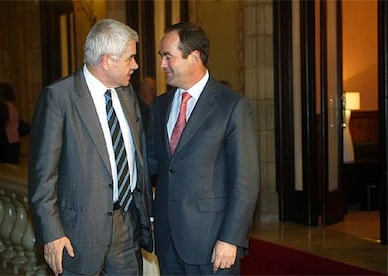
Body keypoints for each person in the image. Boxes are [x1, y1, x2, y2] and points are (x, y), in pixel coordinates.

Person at [28, 18, 153, 276]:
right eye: (130, 58)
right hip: (77, 237)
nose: (136, 65)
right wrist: (52, 234)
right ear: (107, 61)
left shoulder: (127, 95)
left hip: (126, 229)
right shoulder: (59, 98)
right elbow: (42, 178)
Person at [147, 22, 260, 275]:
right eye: (161, 57)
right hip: (167, 243)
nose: (162, 65)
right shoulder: (160, 106)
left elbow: (246, 180)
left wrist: (231, 238)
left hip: (212, 243)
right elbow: (151, 163)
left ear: (194, 57)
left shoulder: (231, 106)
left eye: (168, 57)